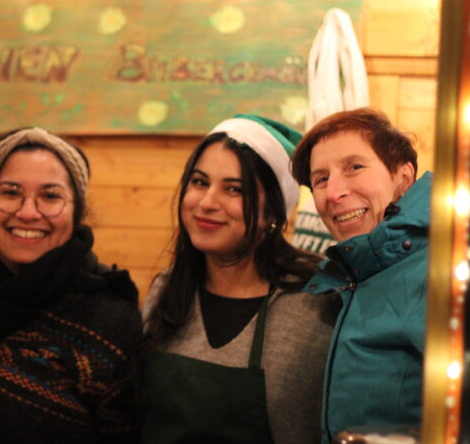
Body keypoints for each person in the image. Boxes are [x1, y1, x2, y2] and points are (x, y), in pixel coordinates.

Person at [0, 127, 143, 443]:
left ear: (77, 212)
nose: (28, 212)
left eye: (50, 196)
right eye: (10, 192)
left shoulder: (110, 318)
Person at [141, 115, 337, 444]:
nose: (206, 203)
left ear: (273, 212)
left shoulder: (315, 302)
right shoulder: (167, 288)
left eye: (234, 189)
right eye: (200, 182)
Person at [290, 107, 430, 443]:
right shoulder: (343, 278)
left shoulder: (444, 274)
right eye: (321, 179)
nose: (334, 192)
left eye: (354, 167)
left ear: (404, 178)